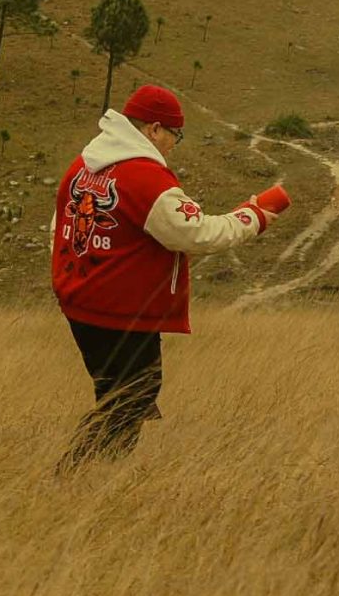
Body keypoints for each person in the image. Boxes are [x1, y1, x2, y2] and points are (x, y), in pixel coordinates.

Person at [52, 84, 291, 466]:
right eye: (174, 135)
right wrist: (254, 215)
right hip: (121, 313)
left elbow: (60, 227)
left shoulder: (84, 165)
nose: (174, 144)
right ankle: (74, 473)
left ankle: (89, 476)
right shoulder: (144, 178)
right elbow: (199, 234)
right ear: (154, 130)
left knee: (118, 396)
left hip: (81, 302)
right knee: (131, 401)